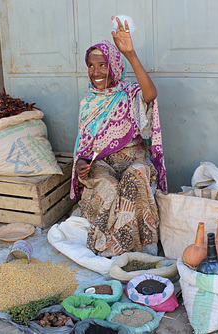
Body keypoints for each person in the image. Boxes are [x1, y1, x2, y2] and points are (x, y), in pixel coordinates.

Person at [70, 16, 167, 258]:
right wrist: (81, 164)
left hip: (134, 159)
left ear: (113, 65)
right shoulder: (88, 103)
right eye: (91, 66)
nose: (96, 72)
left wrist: (131, 54)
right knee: (110, 186)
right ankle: (109, 247)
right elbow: (82, 147)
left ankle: (137, 249)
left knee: (135, 177)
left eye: (102, 65)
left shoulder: (129, 92)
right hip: (103, 165)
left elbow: (151, 94)